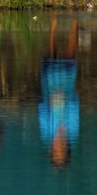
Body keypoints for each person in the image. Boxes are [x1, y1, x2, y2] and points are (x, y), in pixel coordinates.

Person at [39, 15, 79, 168]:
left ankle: (53, 26)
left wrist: (48, 102)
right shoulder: (72, 132)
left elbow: (42, 111)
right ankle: (74, 23)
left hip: (50, 92)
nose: (59, 147)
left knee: (51, 58)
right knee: (70, 57)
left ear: (51, 149)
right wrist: (67, 100)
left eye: (57, 151)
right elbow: (74, 111)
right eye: (61, 150)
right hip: (67, 92)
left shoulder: (47, 133)